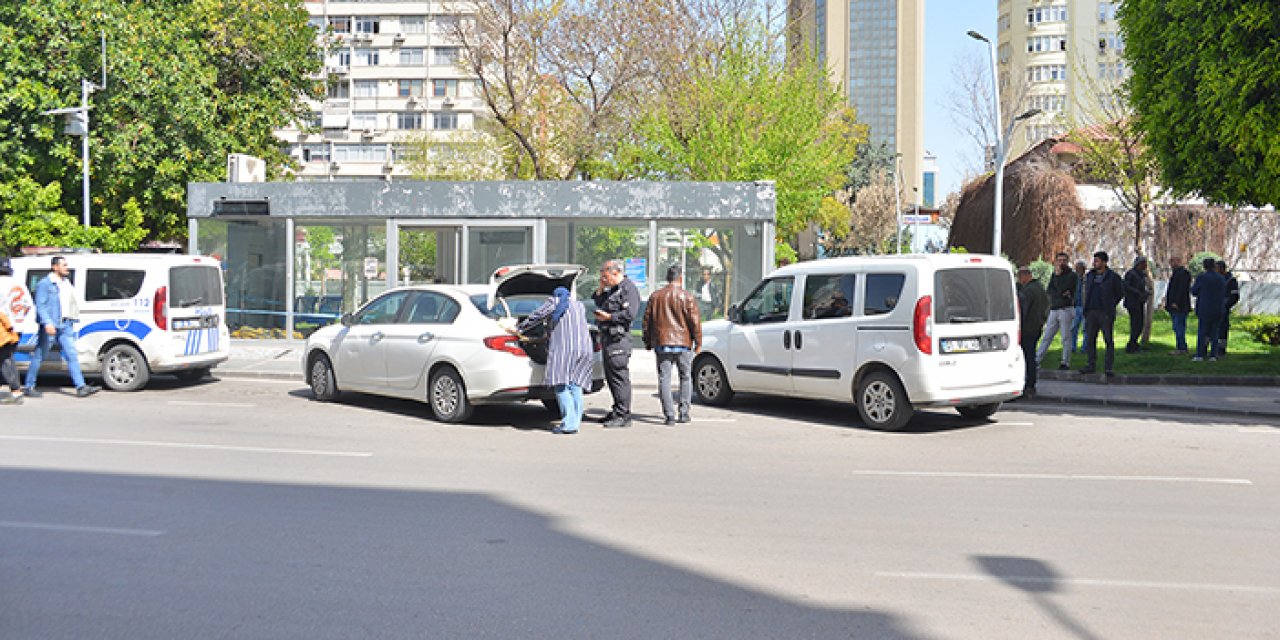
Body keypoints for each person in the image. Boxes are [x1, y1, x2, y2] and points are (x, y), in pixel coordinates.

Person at [514, 287, 593, 435]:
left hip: (565, 350)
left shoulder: (555, 302)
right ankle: (575, 422)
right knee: (576, 385)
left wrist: (519, 328)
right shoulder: (579, 305)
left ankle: (568, 425)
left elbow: (537, 316)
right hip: (584, 349)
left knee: (560, 385)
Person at [23, 256, 100, 398]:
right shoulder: (45, 284)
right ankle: (29, 386)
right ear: (54, 267)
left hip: (65, 324)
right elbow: (40, 305)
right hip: (52, 324)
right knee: (40, 355)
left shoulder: (66, 283)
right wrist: (47, 323)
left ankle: (81, 386)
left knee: (72, 355)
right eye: (63, 265)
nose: (66, 267)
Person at [643, 265, 703, 425]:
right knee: (686, 377)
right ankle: (684, 413)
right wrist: (698, 342)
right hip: (683, 343)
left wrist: (648, 341)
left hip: (663, 343)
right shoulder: (687, 296)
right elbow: (695, 322)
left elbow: (647, 321)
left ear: (667, 278)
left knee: (664, 378)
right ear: (680, 278)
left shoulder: (656, 296)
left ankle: (669, 415)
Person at [592, 259, 641, 428]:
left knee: (620, 377)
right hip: (608, 339)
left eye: (606, 277)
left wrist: (610, 317)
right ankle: (617, 410)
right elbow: (599, 301)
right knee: (611, 378)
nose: (604, 280)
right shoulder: (612, 290)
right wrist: (601, 287)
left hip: (619, 340)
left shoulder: (628, 289)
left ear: (615, 272)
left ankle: (624, 415)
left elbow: (630, 313)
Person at [1080, 251, 1125, 376]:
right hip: (1091, 311)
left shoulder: (1113, 277)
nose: (1095, 263)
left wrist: (1110, 304)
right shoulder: (1090, 276)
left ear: (1104, 262)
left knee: (1108, 340)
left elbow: (1120, 292)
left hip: (1105, 312)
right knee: (1090, 339)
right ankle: (1090, 364)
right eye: (1094, 261)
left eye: (1097, 261)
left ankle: (1108, 367)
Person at [1036, 252, 1078, 370]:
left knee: (1065, 337)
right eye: (1059, 260)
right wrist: (1059, 290)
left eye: (1064, 260)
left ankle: (1065, 362)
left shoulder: (1072, 276)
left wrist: (1059, 280)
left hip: (1066, 309)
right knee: (1047, 336)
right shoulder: (1054, 275)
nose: (1061, 263)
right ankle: (1037, 359)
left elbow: (1064, 289)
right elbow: (1050, 291)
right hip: (1054, 309)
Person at [1016, 266, 1050, 398]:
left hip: (1027, 328)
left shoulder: (1028, 291)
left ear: (1025, 276)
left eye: (1020, 277)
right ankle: (1031, 384)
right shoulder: (1039, 288)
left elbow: (1023, 310)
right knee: (1031, 356)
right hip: (1037, 326)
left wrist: (1019, 324)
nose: (1019, 280)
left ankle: (1028, 384)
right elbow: (1047, 304)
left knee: (1027, 357)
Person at [1191, 258, 1227, 362]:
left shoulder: (1202, 277)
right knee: (1215, 332)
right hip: (1218, 308)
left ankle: (1200, 354)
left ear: (1204, 266)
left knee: (1203, 332)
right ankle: (1213, 355)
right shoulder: (1221, 278)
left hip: (1205, 308)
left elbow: (1194, 291)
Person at [0, 259, 24, 405]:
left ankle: (16, 391)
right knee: (4, 358)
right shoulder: (19, 283)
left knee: (5, 359)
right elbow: (28, 305)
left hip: (4, 328)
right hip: (18, 327)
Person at [1163, 255, 1191, 355]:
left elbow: (1181, 290)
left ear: (1178, 261)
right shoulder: (1177, 273)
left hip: (1180, 306)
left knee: (1179, 326)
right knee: (1177, 327)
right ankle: (1181, 346)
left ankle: (1181, 347)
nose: (1171, 264)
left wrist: (1176, 302)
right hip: (1175, 305)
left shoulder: (1183, 274)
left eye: (1172, 262)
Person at [1123, 256, 1150, 353]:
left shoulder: (1141, 275)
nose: (1146, 266)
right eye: (1144, 263)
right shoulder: (1131, 274)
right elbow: (1126, 286)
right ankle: (1131, 346)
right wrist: (1138, 293)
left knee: (1140, 324)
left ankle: (1134, 344)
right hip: (1132, 303)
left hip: (1139, 303)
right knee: (1136, 325)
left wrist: (1145, 293)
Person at [1217, 261, 1240, 355]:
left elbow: (1235, 296)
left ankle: (1221, 349)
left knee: (1222, 329)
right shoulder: (1216, 279)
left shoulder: (1231, 280)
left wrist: (1226, 306)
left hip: (1223, 308)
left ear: (1222, 269)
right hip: (1214, 307)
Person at [1067, 259, 1087, 355]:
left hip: (1086, 306)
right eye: (1077, 268)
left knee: (1085, 329)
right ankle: (1073, 347)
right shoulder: (1073, 279)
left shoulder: (1087, 279)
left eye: (1080, 268)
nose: (1078, 270)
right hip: (1076, 306)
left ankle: (1084, 348)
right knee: (1073, 328)